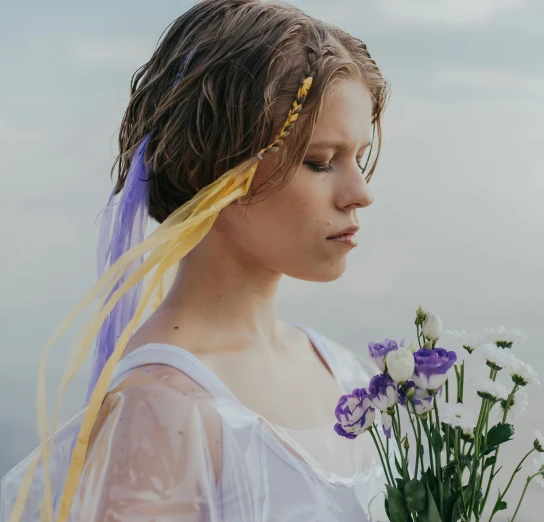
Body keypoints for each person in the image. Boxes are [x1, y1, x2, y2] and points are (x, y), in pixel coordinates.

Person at [0, 1, 390, 520]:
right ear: (205, 167)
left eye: (359, 158)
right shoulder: (161, 412)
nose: (360, 193)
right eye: (320, 162)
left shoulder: (345, 371)